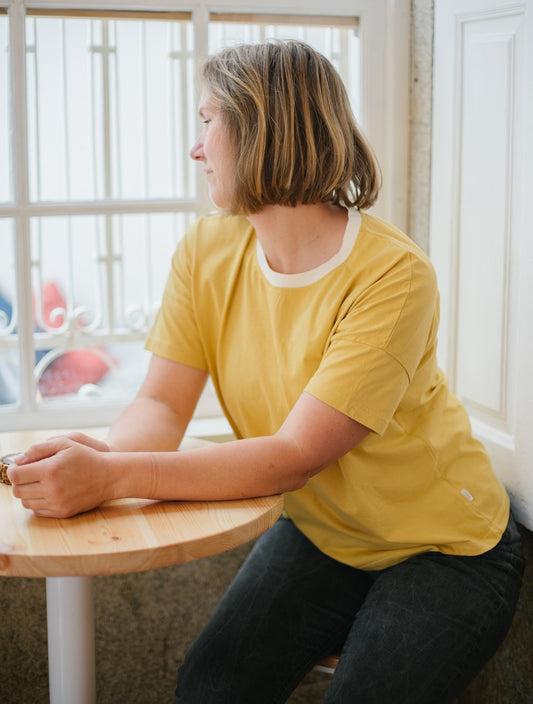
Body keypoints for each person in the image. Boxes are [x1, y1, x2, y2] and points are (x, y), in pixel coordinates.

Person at [8, 40, 524, 704]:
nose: (196, 149)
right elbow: (163, 403)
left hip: (444, 546)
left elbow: (291, 457)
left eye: (206, 122)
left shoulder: (393, 276)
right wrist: (97, 454)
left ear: (261, 129)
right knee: (210, 688)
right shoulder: (206, 248)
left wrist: (111, 477)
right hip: (324, 532)